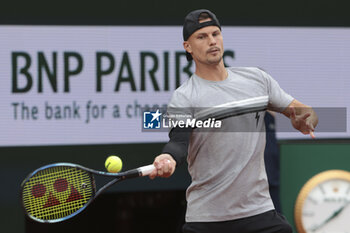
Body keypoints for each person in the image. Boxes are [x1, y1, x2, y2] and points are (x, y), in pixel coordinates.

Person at [149, 9, 318, 233]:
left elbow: (302, 110)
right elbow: (178, 144)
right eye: (202, 37)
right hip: (208, 219)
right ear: (187, 47)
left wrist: (305, 118)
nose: (211, 41)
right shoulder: (185, 97)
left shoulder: (257, 79)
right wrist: (167, 157)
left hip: (259, 212)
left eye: (215, 34)